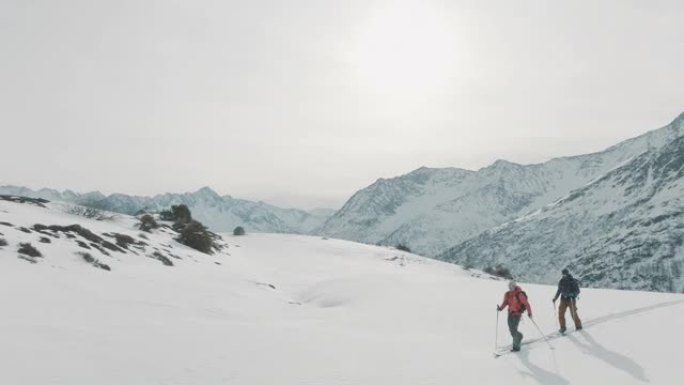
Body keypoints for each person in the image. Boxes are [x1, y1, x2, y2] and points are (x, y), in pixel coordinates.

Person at [497, 280, 532, 352]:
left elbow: (526, 304)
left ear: (514, 286)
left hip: (517, 314)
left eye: (512, 286)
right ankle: (519, 336)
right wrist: (500, 308)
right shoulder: (507, 294)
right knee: (511, 329)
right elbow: (505, 302)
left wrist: (529, 313)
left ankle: (516, 347)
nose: (510, 288)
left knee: (513, 329)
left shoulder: (519, 294)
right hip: (510, 313)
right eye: (509, 286)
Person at [552, 268, 583, 333]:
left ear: (567, 273)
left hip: (571, 300)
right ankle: (562, 327)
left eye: (565, 274)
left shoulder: (572, 281)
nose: (564, 275)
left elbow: (578, 291)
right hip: (563, 299)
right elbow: (559, 290)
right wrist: (555, 298)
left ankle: (578, 326)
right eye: (563, 274)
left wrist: (572, 294)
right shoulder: (561, 281)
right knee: (561, 313)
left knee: (573, 313)